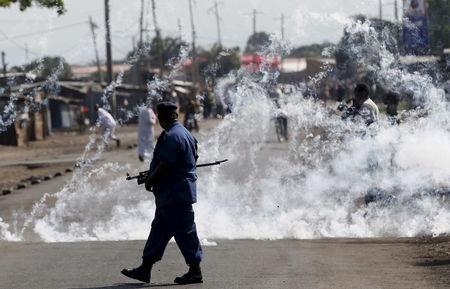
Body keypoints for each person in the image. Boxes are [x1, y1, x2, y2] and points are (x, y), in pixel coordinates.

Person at [121, 102, 203, 285]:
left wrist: (150, 180)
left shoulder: (172, 136)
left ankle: (195, 271)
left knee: (185, 232)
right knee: (158, 230)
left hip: (175, 193)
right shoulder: (184, 133)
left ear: (162, 117)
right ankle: (145, 268)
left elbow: (165, 164)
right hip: (170, 194)